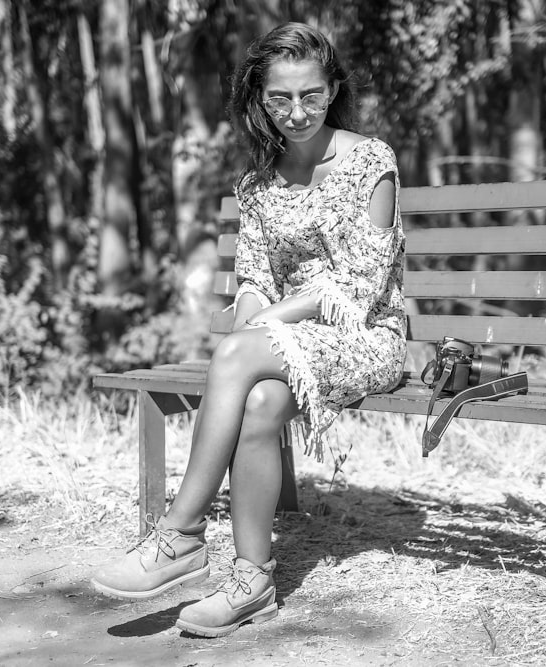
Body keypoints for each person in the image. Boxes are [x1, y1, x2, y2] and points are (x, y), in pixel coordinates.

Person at [91, 21, 406, 638]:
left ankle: (180, 535)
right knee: (260, 404)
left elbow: (360, 290)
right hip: (281, 346)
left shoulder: (372, 161)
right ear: (260, 99)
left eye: (312, 95)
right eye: (280, 98)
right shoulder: (258, 185)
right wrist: (259, 319)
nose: (297, 111)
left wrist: (266, 323)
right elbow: (254, 279)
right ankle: (252, 580)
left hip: (365, 337)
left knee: (239, 358)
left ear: (333, 87)